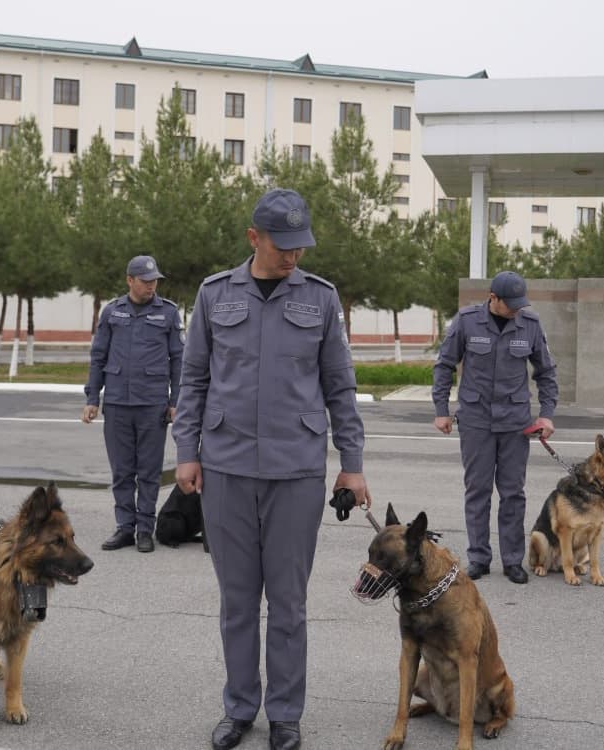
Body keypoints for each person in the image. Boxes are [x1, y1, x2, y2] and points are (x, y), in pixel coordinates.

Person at [173, 188, 369, 750]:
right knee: (238, 600)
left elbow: (340, 388)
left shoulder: (322, 299)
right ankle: (239, 708)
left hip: (296, 471)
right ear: (253, 239)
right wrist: (186, 453)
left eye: (300, 246)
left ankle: (286, 712)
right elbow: (193, 381)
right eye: (282, 246)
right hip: (227, 467)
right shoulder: (214, 295)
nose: (292, 257)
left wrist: (352, 466)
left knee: (287, 602)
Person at [432, 270, 557, 585]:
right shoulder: (467, 321)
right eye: (509, 303)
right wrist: (441, 410)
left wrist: (547, 414)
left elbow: (546, 371)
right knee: (478, 491)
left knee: (513, 492)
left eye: (520, 303)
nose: (516, 309)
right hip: (476, 420)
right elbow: (444, 364)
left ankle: (513, 561)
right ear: (493, 298)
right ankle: (479, 558)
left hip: (516, 423)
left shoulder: (530, 325)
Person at [82, 254, 184, 554]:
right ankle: (125, 527)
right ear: (130, 280)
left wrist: (176, 401)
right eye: (145, 281)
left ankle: (144, 529)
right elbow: (98, 356)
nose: (151, 286)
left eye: (154, 281)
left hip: (152, 404)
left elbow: (179, 360)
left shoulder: (167, 313)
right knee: (122, 471)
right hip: (116, 402)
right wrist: (92, 398)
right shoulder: (112, 312)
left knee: (149, 471)